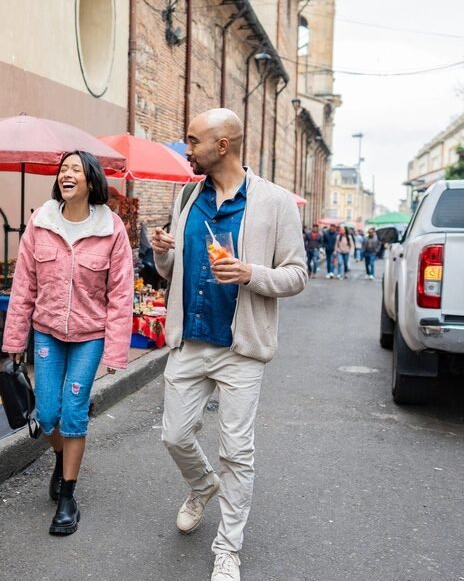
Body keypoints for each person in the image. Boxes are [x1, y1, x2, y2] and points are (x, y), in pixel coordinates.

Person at [150, 108, 306, 581]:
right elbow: (170, 274)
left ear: (222, 146)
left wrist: (250, 273)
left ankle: (228, 548)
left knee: (237, 452)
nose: (186, 149)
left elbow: (297, 274)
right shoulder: (186, 196)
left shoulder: (275, 203)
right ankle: (202, 487)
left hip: (241, 349)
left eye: (193, 141)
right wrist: (163, 251)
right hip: (190, 341)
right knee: (174, 435)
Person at [2, 150, 133, 537]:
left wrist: (114, 352)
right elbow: (23, 285)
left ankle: (68, 497)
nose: (67, 174)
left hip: (89, 337)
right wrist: (13, 339)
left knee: (73, 411)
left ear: (91, 180)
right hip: (46, 333)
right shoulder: (40, 223)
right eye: (63, 169)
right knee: (46, 414)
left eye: (76, 168)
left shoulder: (112, 229)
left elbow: (121, 295)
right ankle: (62, 457)